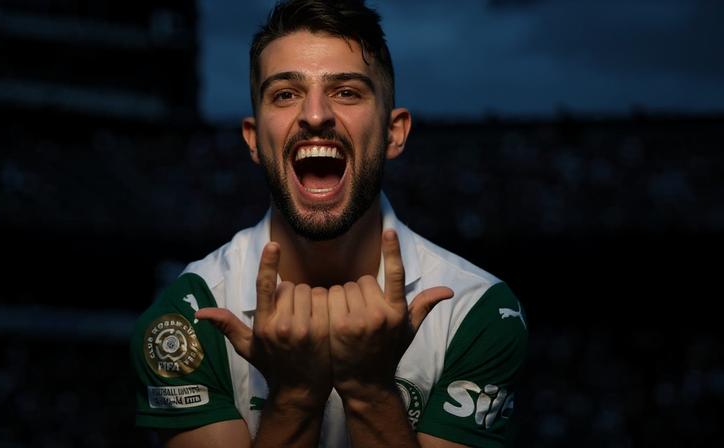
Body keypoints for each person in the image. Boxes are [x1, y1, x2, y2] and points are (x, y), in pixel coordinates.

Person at [130, 0, 528, 446]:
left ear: (394, 132)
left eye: (346, 92)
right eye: (284, 94)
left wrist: (370, 391)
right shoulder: (189, 315)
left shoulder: (475, 312)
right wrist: (297, 396)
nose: (315, 115)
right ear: (254, 139)